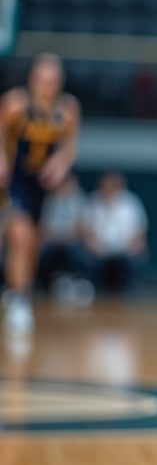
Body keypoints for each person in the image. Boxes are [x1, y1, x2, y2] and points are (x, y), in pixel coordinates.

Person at [0, 53, 80, 336]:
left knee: (32, 243)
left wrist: (60, 164)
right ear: (33, 79)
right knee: (20, 235)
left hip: (41, 184)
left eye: (54, 79)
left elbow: (70, 147)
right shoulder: (15, 103)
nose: (49, 84)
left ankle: (15, 289)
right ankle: (20, 299)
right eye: (44, 79)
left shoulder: (68, 109)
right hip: (13, 180)